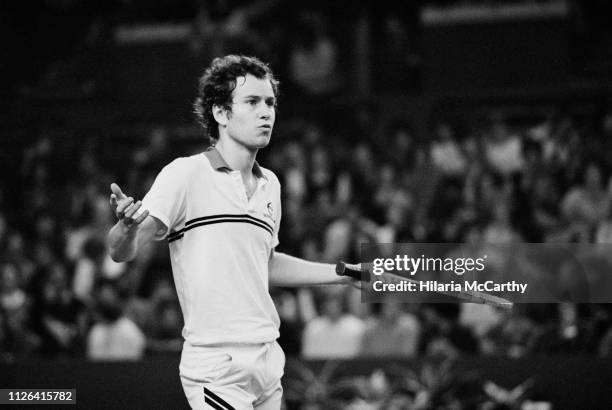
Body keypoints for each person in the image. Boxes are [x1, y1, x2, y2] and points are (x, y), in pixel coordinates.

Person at [107, 55, 358, 410]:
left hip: (268, 361)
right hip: (217, 365)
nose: (266, 112)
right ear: (221, 114)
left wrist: (345, 275)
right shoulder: (186, 174)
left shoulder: (270, 184)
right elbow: (120, 251)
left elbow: (265, 263)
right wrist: (126, 227)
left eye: (270, 102)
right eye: (252, 102)